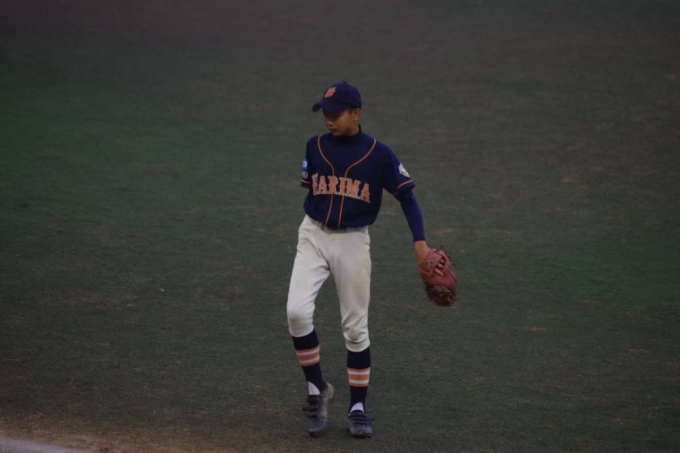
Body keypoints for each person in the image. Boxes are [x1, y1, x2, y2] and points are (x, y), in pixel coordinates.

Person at [286, 82, 444, 438]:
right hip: (312, 235)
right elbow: (315, 191)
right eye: (324, 112)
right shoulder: (314, 146)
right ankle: (317, 389)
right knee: (296, 312)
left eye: (335, 113)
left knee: (355, 328)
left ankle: (357, 407)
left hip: (353, 241)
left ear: (356, 113)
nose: (328, 119)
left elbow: (408, 198)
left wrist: (420, 245)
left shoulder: (379, 154)